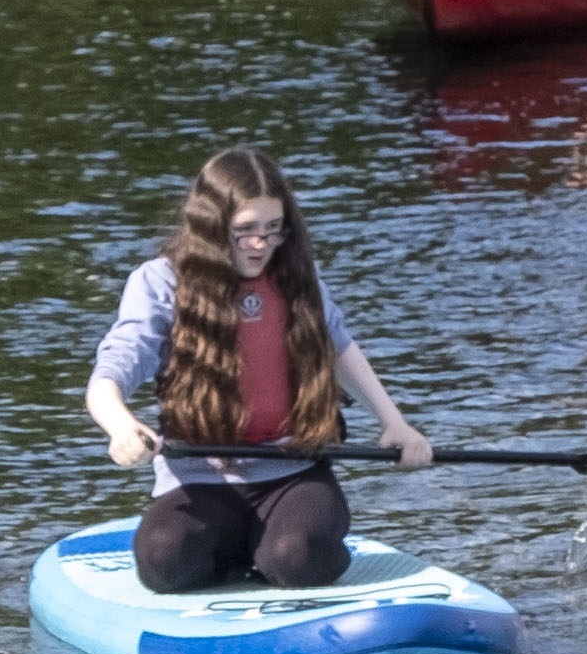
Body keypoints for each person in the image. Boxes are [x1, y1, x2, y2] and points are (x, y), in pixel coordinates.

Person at [84, 149, 432, 596]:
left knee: (298, 558)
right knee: (163, 563)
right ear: (212, 227)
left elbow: (340, 349)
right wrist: (121, 427)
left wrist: (395, 424)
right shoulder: (159, 283)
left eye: (272, 230)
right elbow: (109, 375)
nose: (260, 245)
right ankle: (238, 549)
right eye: (244, 230)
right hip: (200, 478)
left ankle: (277, 549)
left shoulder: (296, 277)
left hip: (293, 473)